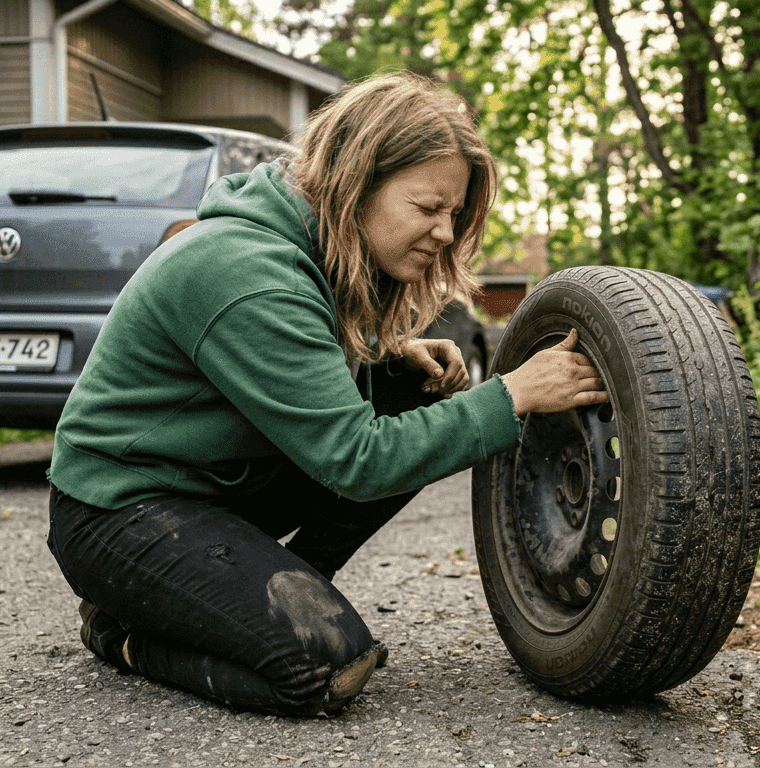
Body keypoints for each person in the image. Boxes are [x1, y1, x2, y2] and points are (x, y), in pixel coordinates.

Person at [45, 72, 609, 717]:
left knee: (414, 393)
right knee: (321, 666)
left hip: (215, 491)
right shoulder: (248, 272)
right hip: (120, 514)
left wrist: (387, 355)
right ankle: (121, 634)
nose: (447, 234)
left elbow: (303, 367)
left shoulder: (314, 252)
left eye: (453, 214)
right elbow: (356, 460)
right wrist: (508, 397)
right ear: (355, 181)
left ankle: (281, 593)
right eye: (428, 209)